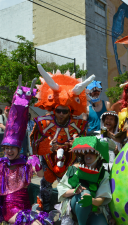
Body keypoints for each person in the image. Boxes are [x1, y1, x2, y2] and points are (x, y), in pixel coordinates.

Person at [0, 77, 56, 225]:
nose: (9, 151)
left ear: (18, 149)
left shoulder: (24, 162)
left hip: (25, 207)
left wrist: (37, 162)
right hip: (10, 209)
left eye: (12, 148)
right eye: (6, 148)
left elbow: (41, 175)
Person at [31, 64, 91, 212]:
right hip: (49, 160)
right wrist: (48, 147)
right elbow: (34, 144)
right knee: (45, 184)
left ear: (70, 111)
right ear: (54, 109)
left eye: (65, 111)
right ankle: (44, 209)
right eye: (59, 110)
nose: (62, 114)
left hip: (70, 159)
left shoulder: (79, 124)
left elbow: (86, 144)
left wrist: (76, 144)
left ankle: (71, 210)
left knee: (71, 184)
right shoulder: (43, 122)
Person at [56, 136, 113, 225]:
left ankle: (88, 222)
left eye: (91, 152)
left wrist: (91, 201)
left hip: (94, 208)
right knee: (84, 193)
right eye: (86, 153)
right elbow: (62, 191)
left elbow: (101, 199)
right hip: (75, 206)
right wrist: (75, 191)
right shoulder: (73, 169)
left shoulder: (103, 174)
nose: (88, 155)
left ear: (98, 155)